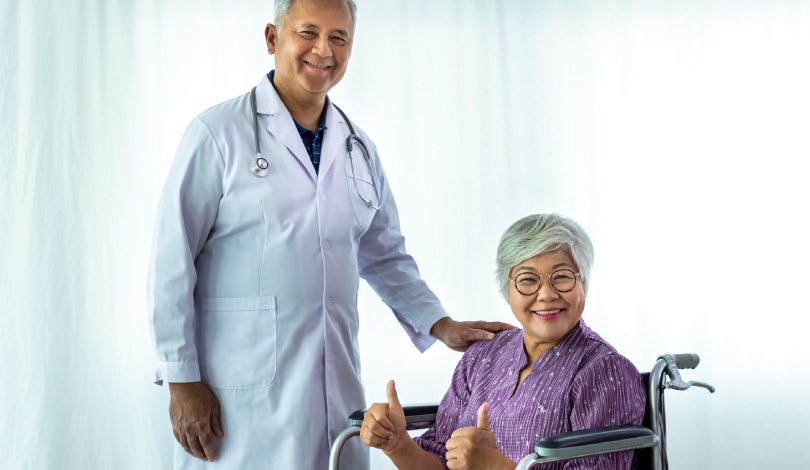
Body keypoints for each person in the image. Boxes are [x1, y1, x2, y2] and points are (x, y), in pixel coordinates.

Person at [146, 0, 513, 468]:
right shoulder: (216, 135)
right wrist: (181, 381)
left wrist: (441, 325)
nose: (324, 50)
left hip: (333, 394)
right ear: (271, 38)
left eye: (339, 38)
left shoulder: (358, 147)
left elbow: (385, 257)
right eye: (309, 32)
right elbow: (170, 264)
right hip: (237, 401)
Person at [360, 214, 646, 470]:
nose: (546, 294)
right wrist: (398, 446)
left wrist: (496, 467)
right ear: (507, 290)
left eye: (561, 277)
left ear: (583, 283)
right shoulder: (483, 355)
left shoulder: (606, 373)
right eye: (528, 280)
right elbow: (441, 461)